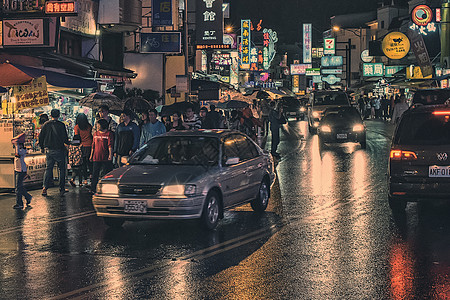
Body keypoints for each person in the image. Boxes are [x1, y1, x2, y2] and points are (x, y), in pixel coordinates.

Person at [39, 109, 69, 196]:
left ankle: (45, 187)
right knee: (62, 169)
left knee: (48, 169)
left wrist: (42, 147)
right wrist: (67, 143)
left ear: (50, 115)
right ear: (59, 115)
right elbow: (65, 138)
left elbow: (41, 137)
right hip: (59, 150)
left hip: (49, 150)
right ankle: (62, 187)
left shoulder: (46, 125)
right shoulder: (61, 125)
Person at [90, 119, 114, 193]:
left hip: (105, 157)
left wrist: (110, 155)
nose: (97, 126)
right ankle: (93, 188)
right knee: (95, 174)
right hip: (96, 157)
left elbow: (110, 146)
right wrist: (91, 155)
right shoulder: (95, 134)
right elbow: (93, 146)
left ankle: (107, 188)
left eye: (98, 125)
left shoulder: (109, 134)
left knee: (107, 174)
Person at [11, 133, 32, 209]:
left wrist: (16, 145)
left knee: (18, 187)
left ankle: (19, 203)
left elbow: (17, 154)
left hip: (21, 170)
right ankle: (28, 197)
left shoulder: (22, 151)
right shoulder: (21, 150)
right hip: (17, 169)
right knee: (19, 187)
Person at [74, 113, 93, 185]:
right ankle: (91, 175)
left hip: (82, 146)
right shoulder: (89, 126)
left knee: (83, 164)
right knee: (90, 163)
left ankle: (85, 179)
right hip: (90, 145)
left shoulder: (77, 127)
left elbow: (76, 137)